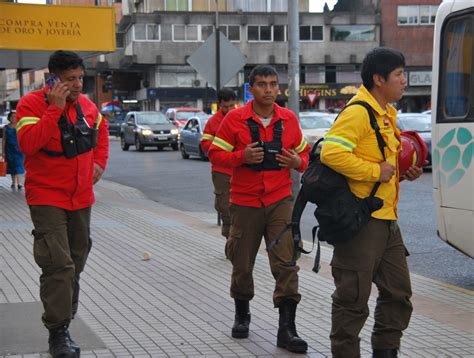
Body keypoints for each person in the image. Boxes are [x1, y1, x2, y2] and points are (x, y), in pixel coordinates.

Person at [320, 47, 423, 358]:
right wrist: (376, 171)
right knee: (352, 300)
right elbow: (331, 154)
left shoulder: (386, 115)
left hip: (386, 219)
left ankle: (385, 351)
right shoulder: (358, 112)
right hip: (361, 221)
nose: (404, 81)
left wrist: (401, 174)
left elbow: (381, 163)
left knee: (398, 293)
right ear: (379, 79)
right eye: (399, 75)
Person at [208, 65, 310, 353]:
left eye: (273, 84)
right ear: (250, 89)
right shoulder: (234, 119)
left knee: (286, 263)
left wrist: (297, 163)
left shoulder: (288, 119)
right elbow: (215, 152)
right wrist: (242, 156)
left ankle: (287, 329)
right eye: (262, 84)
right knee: (242, 263)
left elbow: (304, 153)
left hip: (280, 200)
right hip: (245, 202)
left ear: (279, 89)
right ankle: (242, 314)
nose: (268, 89)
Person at [16, 50, 109, 357]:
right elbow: (28, 144)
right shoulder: (31, 104)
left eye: (80, 78)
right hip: (46, 197)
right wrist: (54, 110)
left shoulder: (88, 107)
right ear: (53, 79)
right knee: (59, 264)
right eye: (71, 80)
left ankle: (64, 322)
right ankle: (58, 333)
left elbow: (101, 133)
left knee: (75, 263)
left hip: (81, 197)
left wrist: (99, 163)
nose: (78, 85)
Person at [200, 88, 237, 242]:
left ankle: (235, 240)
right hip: (222, 170)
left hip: (239, 169)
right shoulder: (213, 122)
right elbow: (205, 144)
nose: (229, 110)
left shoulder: (240, 118)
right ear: (219, 105)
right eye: (225, 107)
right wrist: (224, 152)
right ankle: (230, 241)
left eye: (231, 106)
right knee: (225, 206)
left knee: (239, 207)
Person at [2, 111, 25, 190]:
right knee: (12, 166)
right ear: (9, 118)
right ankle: (13, 182)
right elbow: (4, 140)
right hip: (9, 149)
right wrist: (3, 151)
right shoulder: (6, 128)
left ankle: (19, 183)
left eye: (15, 116)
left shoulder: (20, 126)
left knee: (19, 165)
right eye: (12, 117)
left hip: (19, 148)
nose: (14, 118)